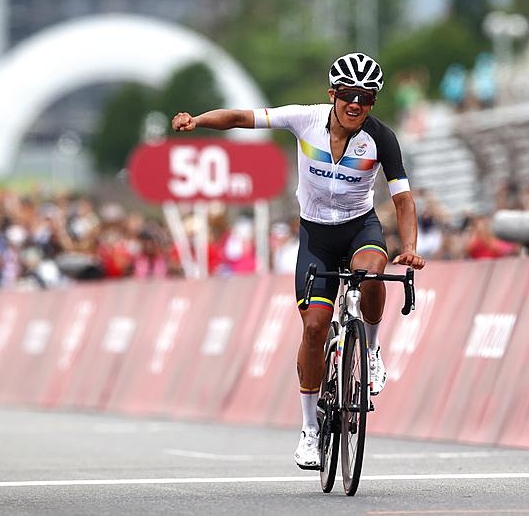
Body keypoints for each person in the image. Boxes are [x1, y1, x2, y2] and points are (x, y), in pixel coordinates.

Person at [171, 52, 425, 470]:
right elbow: (239, 117)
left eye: (366, 97)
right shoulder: (304, 119)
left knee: (372, 274)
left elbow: (403, 200)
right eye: (348, 95)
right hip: (316, 236)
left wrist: (411, 246)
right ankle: (309, 431)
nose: (356, 104)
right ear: (333, 95)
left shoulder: (381, 138)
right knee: (313, 329)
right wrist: (198, 121)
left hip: (360, 227)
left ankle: (374, 351)